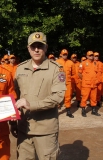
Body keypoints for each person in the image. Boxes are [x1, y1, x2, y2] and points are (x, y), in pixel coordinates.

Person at [14, 32, 66, 160]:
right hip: (24, 128)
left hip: (45, 130)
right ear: (28, 48)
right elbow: (14, 96)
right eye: (33, 46)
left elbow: (58, 97)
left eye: (40, 46)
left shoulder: (56, 69)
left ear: (46, 48)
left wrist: (32, 105)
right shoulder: (20, 69)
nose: (36, 49)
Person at [78, 51, 101, 117]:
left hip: (94, 84)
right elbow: (79, 73)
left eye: (92, 55)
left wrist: (97, 80)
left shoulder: (95, 63)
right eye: (90, 55)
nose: (91, 56)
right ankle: (83, 110)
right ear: (87, 56)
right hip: (86, 84)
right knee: (84, 98)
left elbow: (97, 73)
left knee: (94, 98)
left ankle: (93, 111)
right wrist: (85, 79)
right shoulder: (83, 63)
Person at [56, 49, 76, 118]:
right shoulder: (57, 62)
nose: (65, 55)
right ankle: (55, 112)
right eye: (63, 54)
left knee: (68, 97)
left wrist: (71, 79)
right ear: (61, 54)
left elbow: (74, 73)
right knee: (57, 97)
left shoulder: (70, 63)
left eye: (66, 54)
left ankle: (68, 111)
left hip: (68, 83)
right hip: (59, 83)